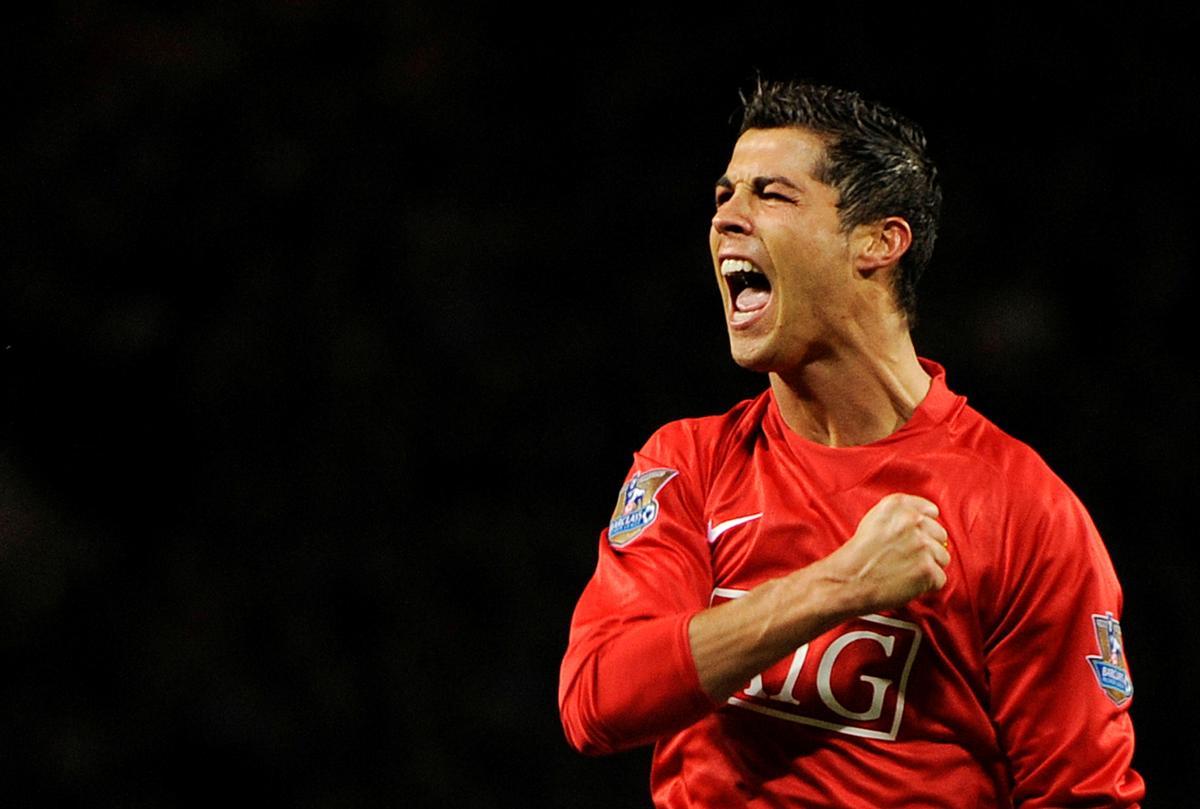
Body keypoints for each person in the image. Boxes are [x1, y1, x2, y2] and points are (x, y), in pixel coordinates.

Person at [558, 80, 1144, 807]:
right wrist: (839, 586)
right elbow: (598, 697)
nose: (726, 219)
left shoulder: (1021, 509)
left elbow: (1083, 794)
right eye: (723, 195)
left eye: (770, 194)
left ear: (879, 240)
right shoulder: (689, 465)